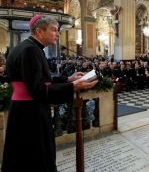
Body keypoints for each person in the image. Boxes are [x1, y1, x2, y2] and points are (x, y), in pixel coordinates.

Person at [2, 15, 98, 172]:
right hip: (30, 113)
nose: (58, 34)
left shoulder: (30, 47)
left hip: (25, 110)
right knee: (35, 156)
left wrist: (68, 79)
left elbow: (42, 80)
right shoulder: (30, 50)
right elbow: (37, 90)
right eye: (54, 30)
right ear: (40, 31)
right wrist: (72, 86)